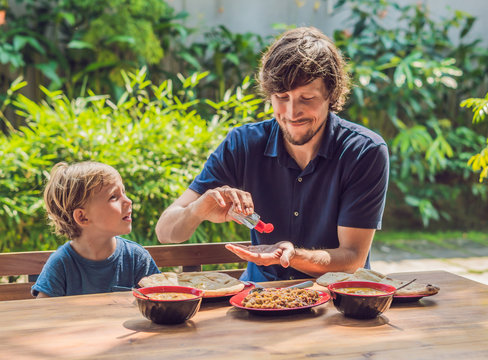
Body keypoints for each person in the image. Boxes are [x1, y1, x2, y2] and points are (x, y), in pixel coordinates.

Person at [156, 27, 389, 282]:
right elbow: (166, 232)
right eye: (281, 97)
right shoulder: (243, 144)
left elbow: (353, 258)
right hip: (256, 300)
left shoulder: (364, 151)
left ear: (330, 95)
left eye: (307, 98)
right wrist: (198, 210)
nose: (291, 112)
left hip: (335, 302)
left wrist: (289, 255)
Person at [31, 161, 160, 298]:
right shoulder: (61, 264)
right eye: (113, 197)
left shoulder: (136, 258)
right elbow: (43, 313)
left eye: (123, 192)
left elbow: (161, 301)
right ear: (82, 217)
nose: (128, 201)